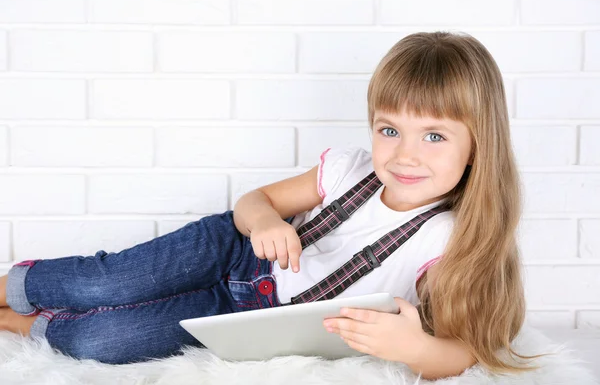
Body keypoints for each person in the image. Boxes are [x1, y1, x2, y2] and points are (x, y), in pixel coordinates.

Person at [0, 31, 543, 380]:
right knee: (104, 283)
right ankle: (12, 288)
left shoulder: (454, 239)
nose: (404, 154)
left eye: (435, 137)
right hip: (231, 252)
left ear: (479, 143)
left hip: (251, 316)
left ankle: (21, 326)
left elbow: (464, 351)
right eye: (390, 129)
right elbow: (254, 203)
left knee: (105, 340)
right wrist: (262, 221)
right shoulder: (347, 170)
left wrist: (411, 346)